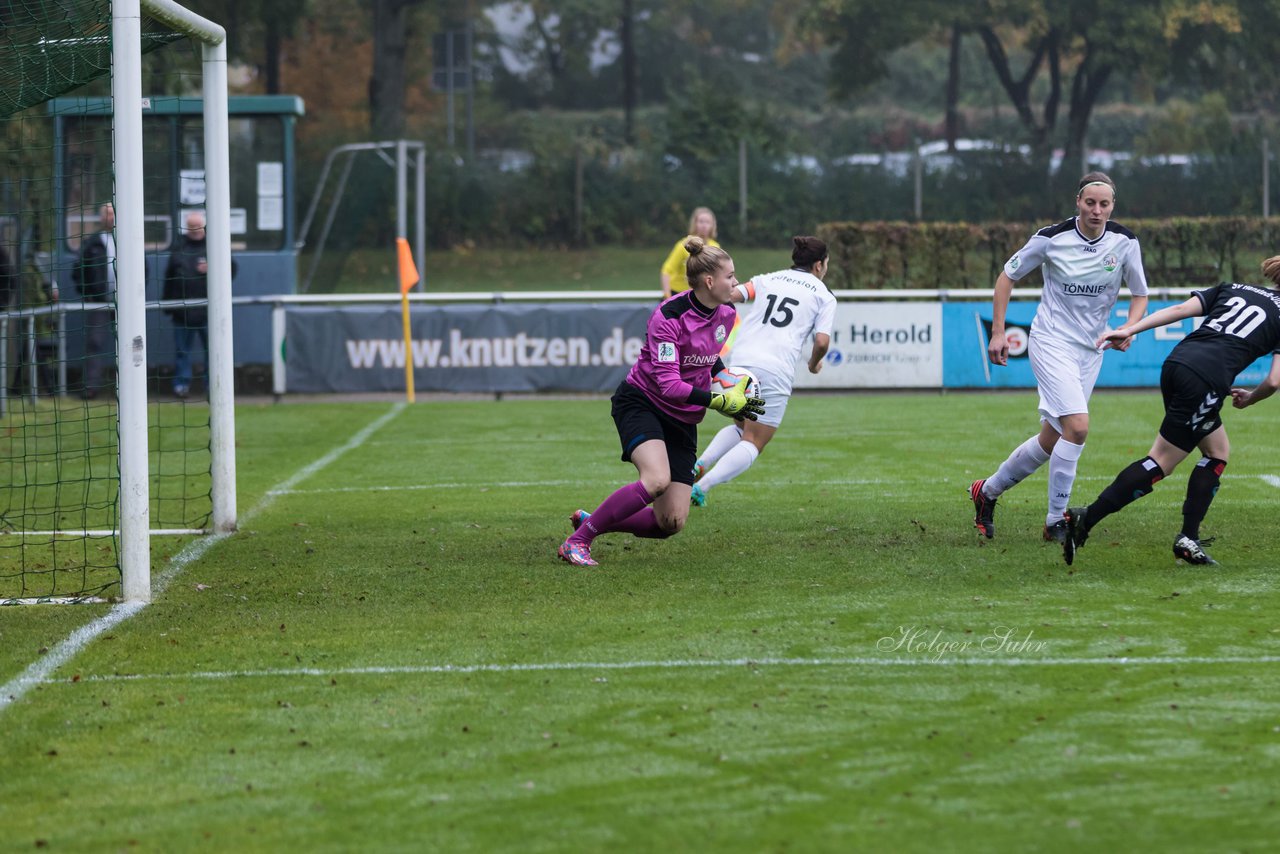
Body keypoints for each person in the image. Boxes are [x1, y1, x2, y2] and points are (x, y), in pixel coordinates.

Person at [559, 236, 765, 567]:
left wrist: (728, 382)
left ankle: (595, 518)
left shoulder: (726, 313)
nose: (736, 282)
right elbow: (669, 385)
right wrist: (717, 401)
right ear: (710, 281)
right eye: (731, 276)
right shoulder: (668, 316)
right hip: (644, 402)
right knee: (656, 480)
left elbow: (706, 356)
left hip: (683, 419)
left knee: (670, 522)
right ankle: (578, 541)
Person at [1062, 258, 1280, 567]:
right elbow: (1274, 381)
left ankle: (1188, 538)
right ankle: (1086, 519)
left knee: (1217, 451)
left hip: (1177, 364)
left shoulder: (1234, 288)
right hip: (1206, 380)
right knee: (1161, 461)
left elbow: (1178, 311)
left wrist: (1128, 329)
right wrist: (1251, 398)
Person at [970, 172, 1150, 544]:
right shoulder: (1051, 238)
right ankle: (1056, 520)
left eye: (1104, 204)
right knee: (1079, 427)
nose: (1096, 211)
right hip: (1051, 342)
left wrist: (1129, 328)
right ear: (1078, 202)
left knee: (1052, 438)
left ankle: (986, 491)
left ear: (1112, 206)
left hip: (1091, 351)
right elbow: (1007, 277)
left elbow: (1140, 295)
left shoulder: (1125, 242)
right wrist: (998, 332)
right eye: (1090, 203)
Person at [690, 235, 836, 506]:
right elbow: (822, 341)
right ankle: (701, 487)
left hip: (743, 357)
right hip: (775, 366)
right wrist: (814, 363)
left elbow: (731, 294)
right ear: (819, 265)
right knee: (755, 440)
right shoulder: (823, 295)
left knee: (742, 424)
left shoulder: (769, 279)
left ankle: (699, 464)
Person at [163, 211, 235, 398]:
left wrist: (215, 267)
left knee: (214, 351)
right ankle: (181, 385)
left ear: (203, 226)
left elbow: (232, 270)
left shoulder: (215, 246)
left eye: (197, 226)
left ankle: (213, 385)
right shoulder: (179, 248)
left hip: (209, 312)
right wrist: (169, 306)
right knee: (182, 351)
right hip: (183, 312)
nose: (194, 230)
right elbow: (169, 278)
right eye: (191, 226)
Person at [70, 202, 116, 399]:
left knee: (133, 341)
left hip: (127, 302)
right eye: (106, 214)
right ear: (100, 218)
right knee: (95, 342)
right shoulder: (92, 242)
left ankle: (132, 385)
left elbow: (144, 268)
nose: (109, 218)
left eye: (112, 213)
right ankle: (91, 386)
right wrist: (87, 293)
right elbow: (77, 270)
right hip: (99, 301)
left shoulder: (129, 238)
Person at [660, 207, 719, 300]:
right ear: (694, 224)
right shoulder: (683, 245)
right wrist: (667, 297)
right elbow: (666, 271)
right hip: (678, 294)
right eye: (701, 221)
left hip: (701, 296)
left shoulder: (715, 247)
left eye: (707, 222)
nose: (704, 225)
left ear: (713, 225)